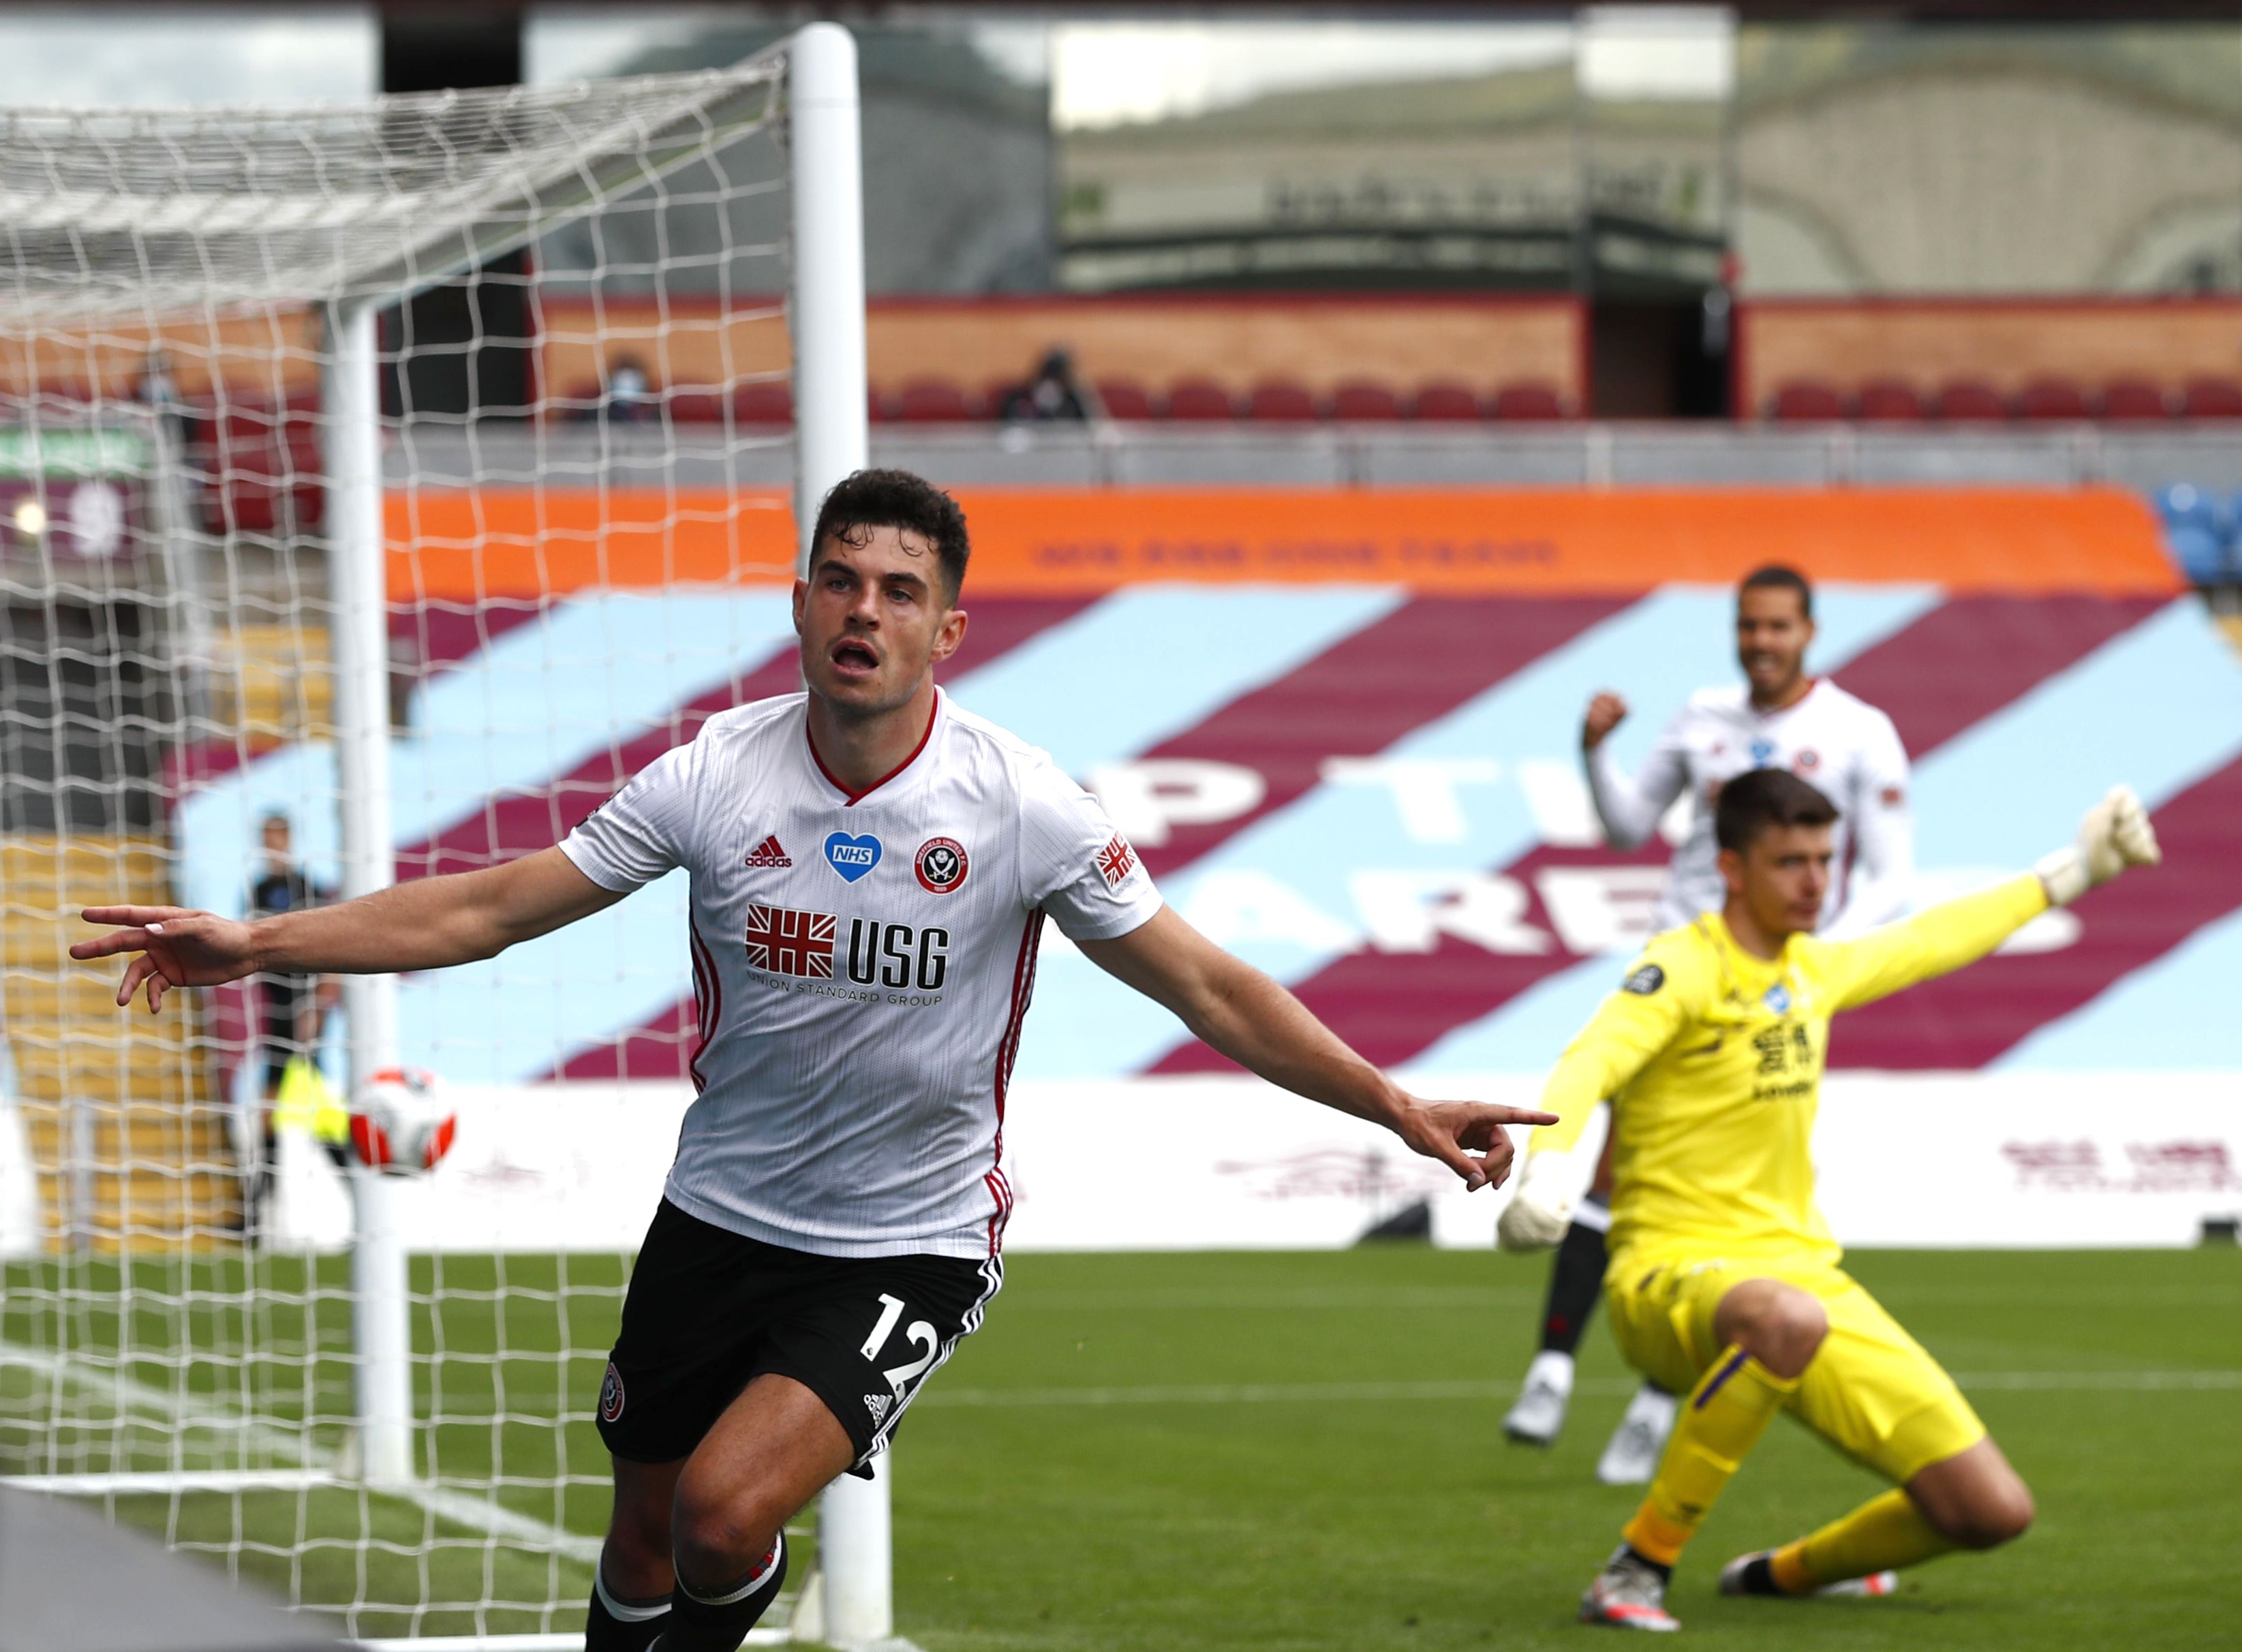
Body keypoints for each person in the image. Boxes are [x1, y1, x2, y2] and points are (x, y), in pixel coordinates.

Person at [73, 468, 1554, 1652]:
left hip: (906, 1239)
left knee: (723, 1519)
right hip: (717, 1212)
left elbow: (1211, 988)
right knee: (642, 1533)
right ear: (799, 600)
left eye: (900, 590)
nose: (865, 609)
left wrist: (1396, 1104)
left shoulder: (1023, 804)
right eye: (840, 577)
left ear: (946, 631)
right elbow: (489, 906)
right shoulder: (714, 774)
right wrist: (260, 947)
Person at [1494, 767, 2160, 1631]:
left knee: (1989, 1512)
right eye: (1789, 862)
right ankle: (1635, 1567)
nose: (1814, 881)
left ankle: (1783, 1575)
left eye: (1823, 858)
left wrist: (2073, 871)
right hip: (1667, 1272)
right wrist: (1547, 1167)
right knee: (1785, 1320)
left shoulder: (1812, 969)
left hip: (1800, 1277)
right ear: (1731, 867)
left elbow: (1932, 939)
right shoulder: (1681, 968)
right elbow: (1591, 1061)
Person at [1504, 564, 1915, 1485]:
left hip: (1780, 986)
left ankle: (1651, 1408)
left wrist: (1813, 965)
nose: (1759, 642)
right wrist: (1590, 753)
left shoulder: (1858, 733)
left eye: (1776, 627)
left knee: (1730, 1186)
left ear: (1808, 632)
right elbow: (1625, 828)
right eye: (1746, 626)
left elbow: (1889, 875)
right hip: (1680, 968)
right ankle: (1553, 1368)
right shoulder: (1700, 716)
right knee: (1626, 1161)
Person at [241, 812, 337, 1236]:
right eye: (266, 836)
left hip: (305, 1017)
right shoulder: (257, 890)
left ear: (289, 838)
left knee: (316, 1117)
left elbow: (336, 955)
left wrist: (318, 1008)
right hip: (274, 1014)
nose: (272, 843)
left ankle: (255, 1220)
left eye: (278, 835)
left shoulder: (308, 888)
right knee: (271, 1114)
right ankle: (258, 1218)